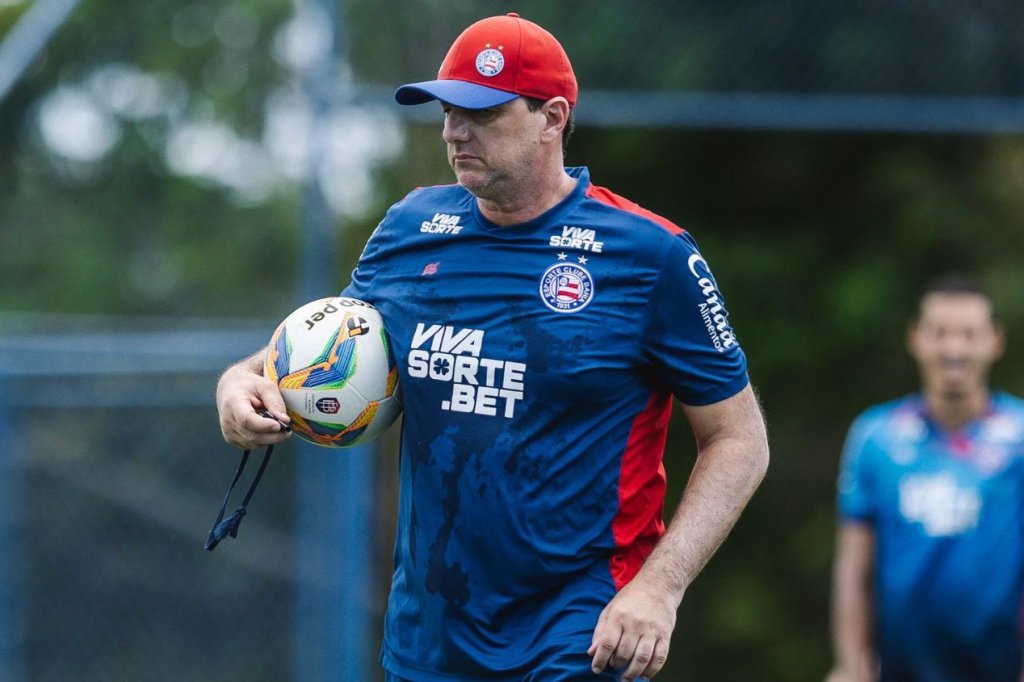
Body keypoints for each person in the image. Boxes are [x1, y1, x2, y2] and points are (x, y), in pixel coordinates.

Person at [217, 13, 769, 682]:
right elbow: (328, 339)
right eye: (449, 111)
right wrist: (243, 380)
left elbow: (738, 439)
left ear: (552, 117)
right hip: (429, 638)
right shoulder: (410, 228)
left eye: (482, 112)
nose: (454, 130)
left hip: (579, 633)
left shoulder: (650, 256)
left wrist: (661, 586)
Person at [828, 274, 1024, 682]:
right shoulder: (875, 437)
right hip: (899, 670)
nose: (954, 348)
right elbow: (854, 569)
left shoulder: (1020, 436)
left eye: (969, 334)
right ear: (916, 337)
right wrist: (851, 665)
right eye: (940, 333)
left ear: (994, 341)